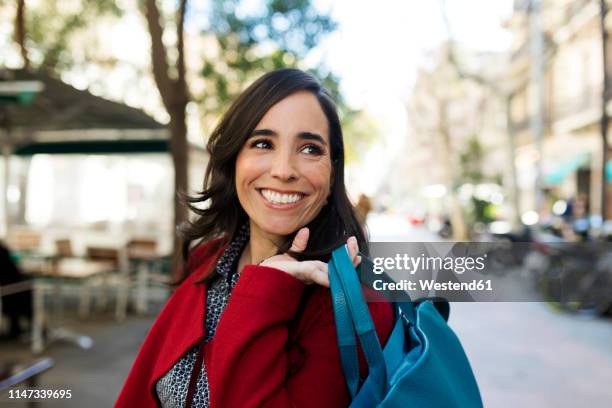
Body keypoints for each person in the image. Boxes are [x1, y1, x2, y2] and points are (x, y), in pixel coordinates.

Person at [116, 69, 394, 407]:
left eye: (309, 149)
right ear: (235, 159)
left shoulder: (351, 304)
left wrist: (266, 290)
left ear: (333, 169)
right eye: (263, 143)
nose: (283, 170)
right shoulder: (209, 261)